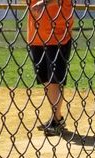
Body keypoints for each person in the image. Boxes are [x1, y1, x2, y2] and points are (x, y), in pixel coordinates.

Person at [27, 0, 74, 135]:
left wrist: (44, 3)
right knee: (46, 79)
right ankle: (56, 118)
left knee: (55, 80)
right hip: (36, 34)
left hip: (57, 35)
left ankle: (56, 120)